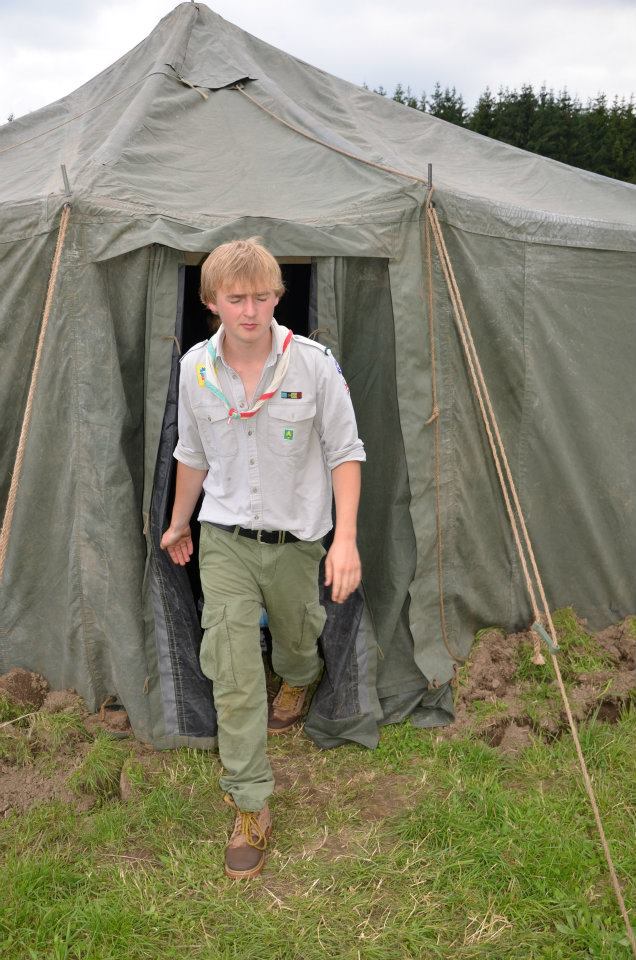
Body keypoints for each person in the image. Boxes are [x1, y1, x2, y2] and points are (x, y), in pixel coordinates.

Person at [160, 237, 365, 879]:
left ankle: (300, 679)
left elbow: (345, 451)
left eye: (262, 296)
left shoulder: (312, 365)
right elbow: (192, 452)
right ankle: (251, 802)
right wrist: (177, 523)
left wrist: (347, 540)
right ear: (212, 301)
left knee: (299, 636)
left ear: (278, 295)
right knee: (233, 662)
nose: (249, 310)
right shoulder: (195, 367)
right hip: (224, 538)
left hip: (297, 540)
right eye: (235, 298)